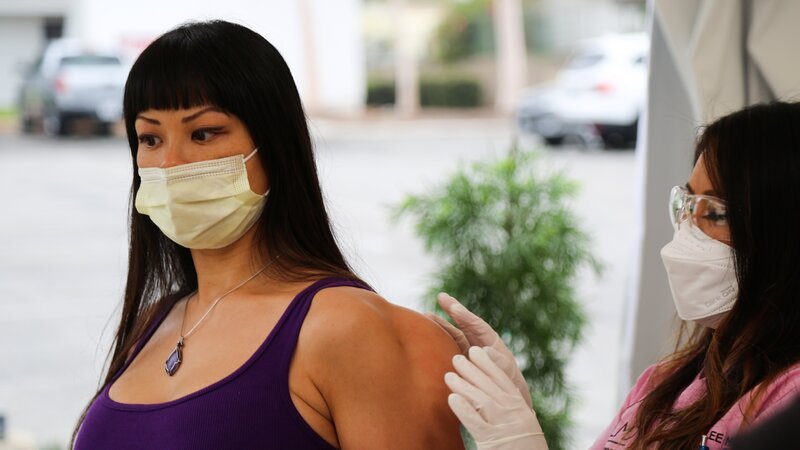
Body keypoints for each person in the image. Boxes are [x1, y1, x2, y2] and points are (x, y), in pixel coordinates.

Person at [71, 20, 464, 450]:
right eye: (149, 137)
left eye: (203, 133)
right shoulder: (152, 323)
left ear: (274, 145)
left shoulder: (346, 326)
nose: (169, 163)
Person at [430, 101, 800, 449]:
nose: (686, 231)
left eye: (714, 214)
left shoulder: (789, 401)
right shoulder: (667, 382)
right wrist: (522, 413)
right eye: (686, 206)